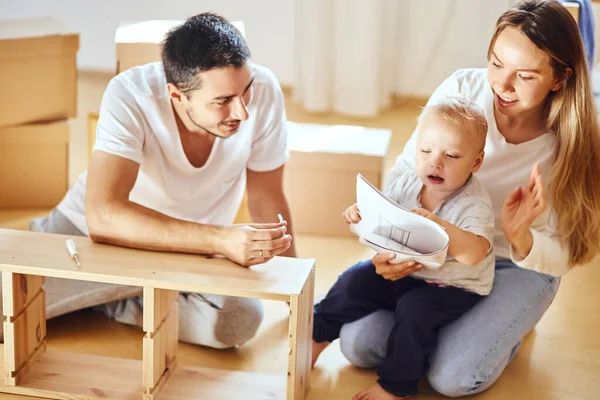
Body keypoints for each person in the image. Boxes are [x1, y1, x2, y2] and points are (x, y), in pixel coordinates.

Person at [335, 0, 600, 397]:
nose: (502, 85)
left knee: (453, 378)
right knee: (358, 345)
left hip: (517, 265)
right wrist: (396, 246)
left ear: (560, 79)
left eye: (525, 76)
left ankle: (506, 326)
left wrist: (521, 236)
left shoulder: (576, 140)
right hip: (438, 251)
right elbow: (409, 170)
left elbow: (569, 250)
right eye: (496, 63)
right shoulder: (462, 88)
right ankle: (453, 332)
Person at [10, 12, 297, 350]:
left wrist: (293, 285)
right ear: (177, 95)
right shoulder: (130, 95)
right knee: (7, 316)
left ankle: (107, 299)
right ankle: (118, 293)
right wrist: (222, 240)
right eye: (222, 102)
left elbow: (267, 195)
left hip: (192, 249)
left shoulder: (263, 91)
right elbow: (103, 216)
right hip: (91, 237)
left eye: (245, 91)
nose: (242, 112)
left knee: (236, 319)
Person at [312, 98, 496, 400]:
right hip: (406, 273)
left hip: (450, 287)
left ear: (476, 162)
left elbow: (474, 253)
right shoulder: (408, 184)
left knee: (416, 310)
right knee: (355, 278)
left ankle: (395, 386)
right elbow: (381, 218)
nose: (435, 163)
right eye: (425, 151)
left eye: (451, 155)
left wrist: (441, 226)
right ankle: (317, 336)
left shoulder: (473, 203)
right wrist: (359, 215)